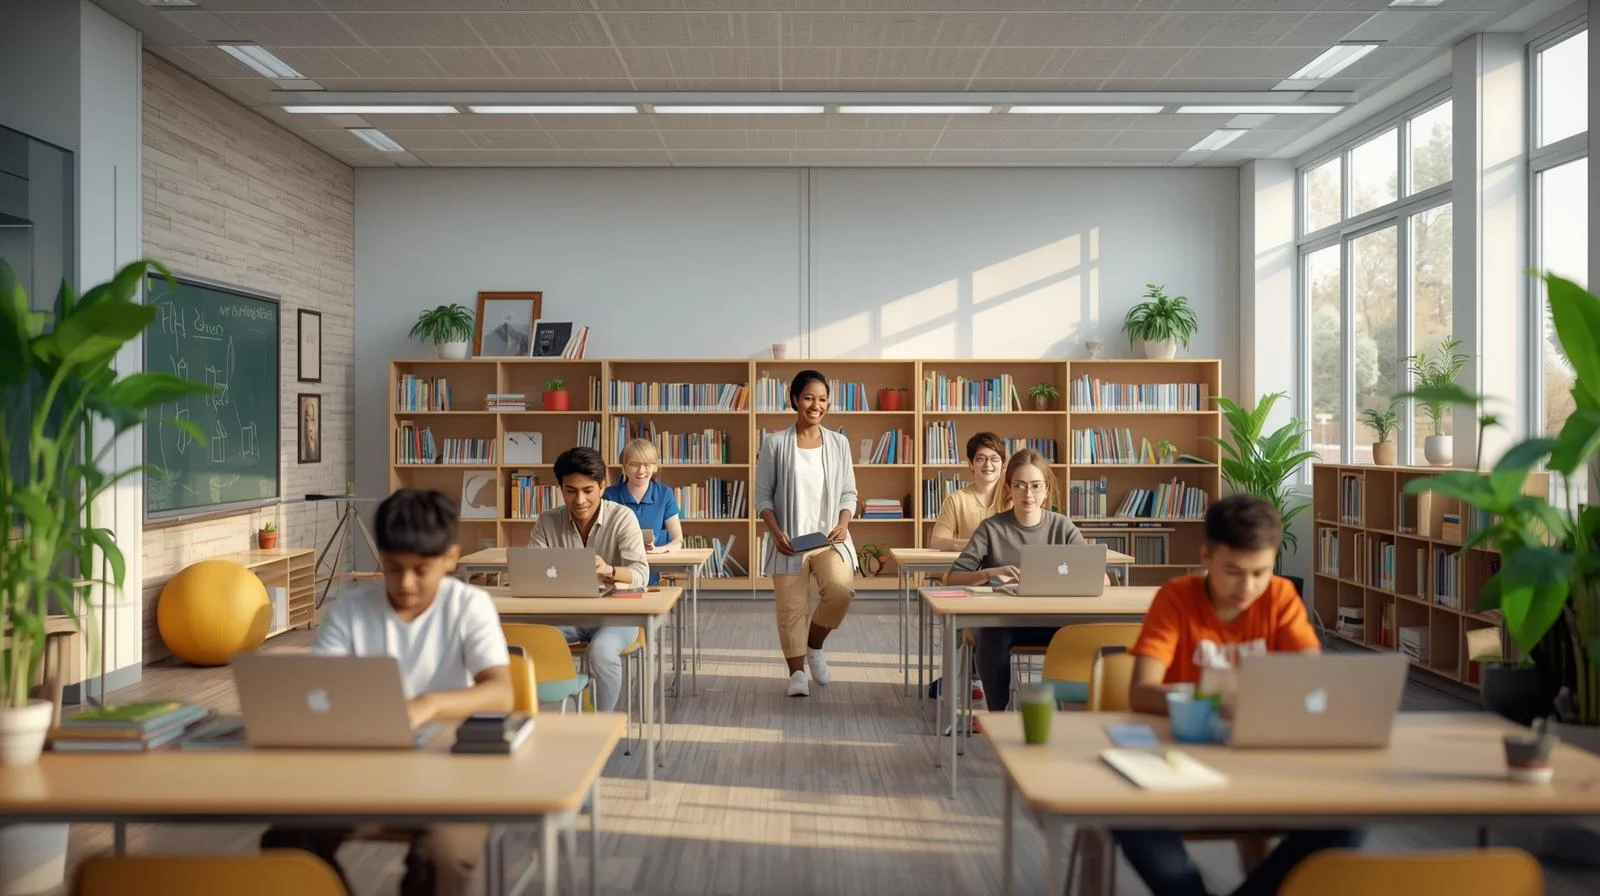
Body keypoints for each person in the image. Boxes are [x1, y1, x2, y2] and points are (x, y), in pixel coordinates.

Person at [260, 488, 512, 896]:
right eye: (393, 568)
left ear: (451, 557)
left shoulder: (469, 605)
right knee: (287, 842)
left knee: (441, 855)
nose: (406, 583)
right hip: (362, 774)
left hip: (453, 776)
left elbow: (501, 692)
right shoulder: (351, 609)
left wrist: (428, 704)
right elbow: (318, 685)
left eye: (420, 569)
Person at [1115, 495, 1363, 896]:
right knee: (1126, 814)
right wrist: (1217, 701)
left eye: (1260, 572)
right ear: (1206, 556)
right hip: (1179, 757)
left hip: (1265, 758)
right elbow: (1142, 692)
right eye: (1232, 571)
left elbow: (1311, 681)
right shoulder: (1176, 598)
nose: (1246, 588)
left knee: (1350, 817)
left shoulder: (1280, 597)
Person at [945, 447, 1106, 712]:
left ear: (1046, 490)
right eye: (1019, 486)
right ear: (1009, 489)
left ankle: (1068, 712)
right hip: (1005, 623)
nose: (1028, 494)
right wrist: (989, 573)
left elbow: (1101, 579)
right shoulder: (992, 528)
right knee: (991, 638)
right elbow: (953, 578)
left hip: (1055, 622)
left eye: (1035, 486)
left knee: (1084, 634)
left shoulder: (1061, 526)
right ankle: (999, 715)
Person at [755, 368, 859, 698]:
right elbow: (762, 496)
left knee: (841, 591)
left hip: (828, 540)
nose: (816, 405)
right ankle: (796, 672)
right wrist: (775, 533)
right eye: (809, 398)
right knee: (791, 609)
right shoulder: (774, 443)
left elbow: (849, 493)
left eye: (823, 399)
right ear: (795, 400)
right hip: (789, 542)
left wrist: (843, 523)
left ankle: (815, 647)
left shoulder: (839, 443)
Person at [531, 445, 649, 712]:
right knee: (530, 641)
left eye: (588, 491)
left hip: (616, 616)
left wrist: (609, 570)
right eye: (570, 491)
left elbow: (641, 574)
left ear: (602, 486)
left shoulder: (623, 518)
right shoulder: (547, 521)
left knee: (602, 652)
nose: (580, 500)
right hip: (566, 615)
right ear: (560, 488)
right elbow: (535, 573)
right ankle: (550, 717)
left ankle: (599, 728)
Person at [603, 438, 684, 586]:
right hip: (616, 573)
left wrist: (659, 550)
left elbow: (677, 540)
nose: (641, 471)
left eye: (647, 465)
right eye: (634, 464)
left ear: (655, 467)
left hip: (650, 572)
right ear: (624, 467)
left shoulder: (665, 494)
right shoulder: (609, 495)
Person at [928, 431, 1007, 552]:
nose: (988, 464)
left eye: (994, 459)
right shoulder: (956, 500)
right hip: (969, 568)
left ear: (1003, 464)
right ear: (971, 464)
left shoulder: (1013, 498)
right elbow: (937, 542)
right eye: (981, 459)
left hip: (1007, 568)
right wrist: (973, 544)